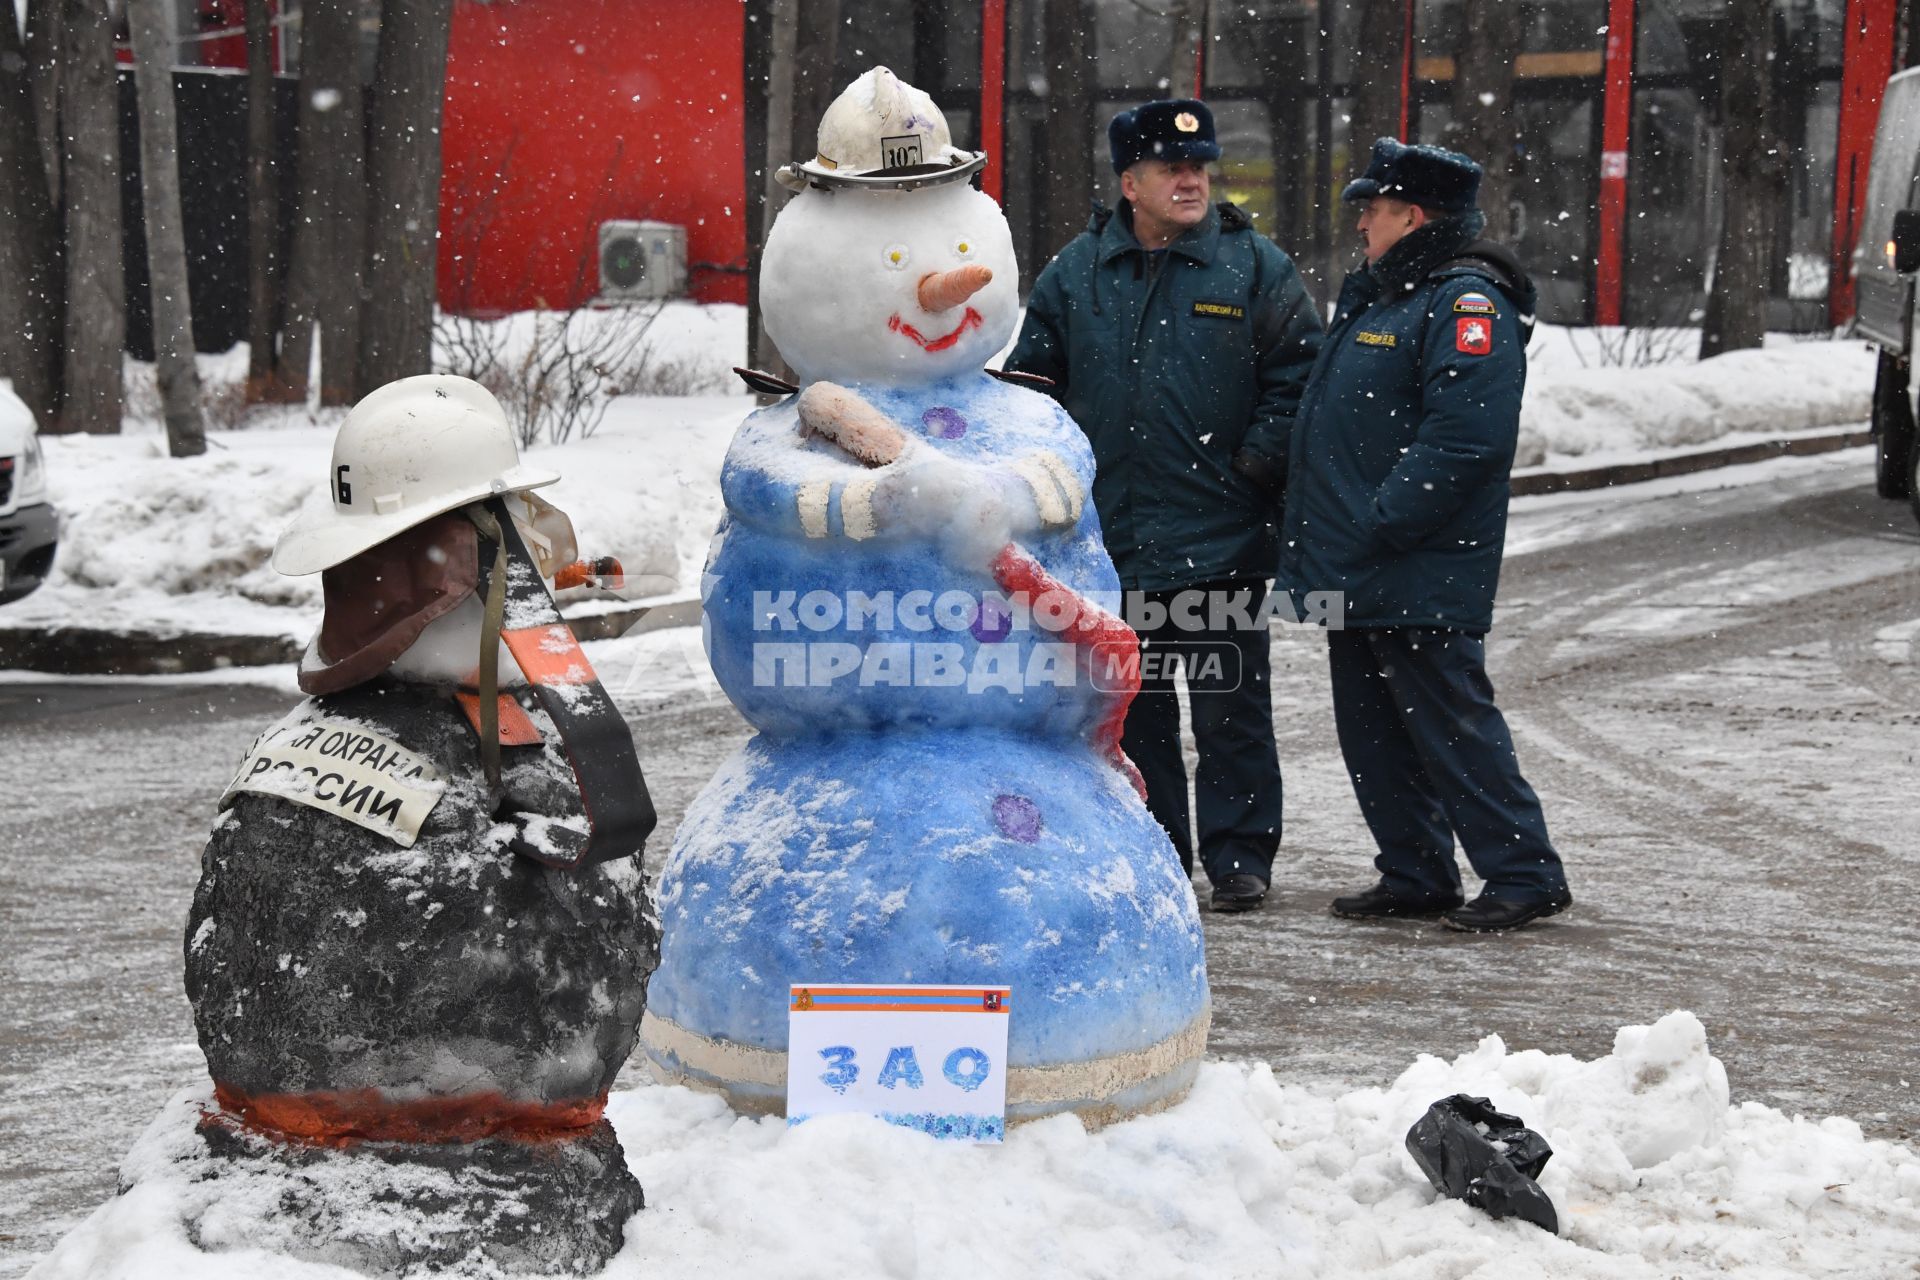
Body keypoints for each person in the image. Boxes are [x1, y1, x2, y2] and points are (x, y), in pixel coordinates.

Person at [1008, 99, 1323, 912]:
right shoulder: (1075, 276)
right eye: (1170, 169)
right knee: (1133, 714)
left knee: (1230, 711)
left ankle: (1241, 856)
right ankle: (1157, 850)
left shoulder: (1253, 268)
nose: (1190, 180)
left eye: (1199, 168)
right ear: (1130, 183)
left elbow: (1300, 378)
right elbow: (1031, 392)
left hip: (1222, 535)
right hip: (1112, 543)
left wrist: (1256, 464)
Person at [1280, 137, 1571, 932]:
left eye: (1371, 210)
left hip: (1412, 562)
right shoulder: (1385, 294)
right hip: (1359, 561)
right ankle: (1415, 871)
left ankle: (1522, 872)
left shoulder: (1464, 300)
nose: (1361, 224)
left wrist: (1384, 520)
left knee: (1450, 724)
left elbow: (1467, 438)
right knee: (1373, 731)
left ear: (1412, 215)